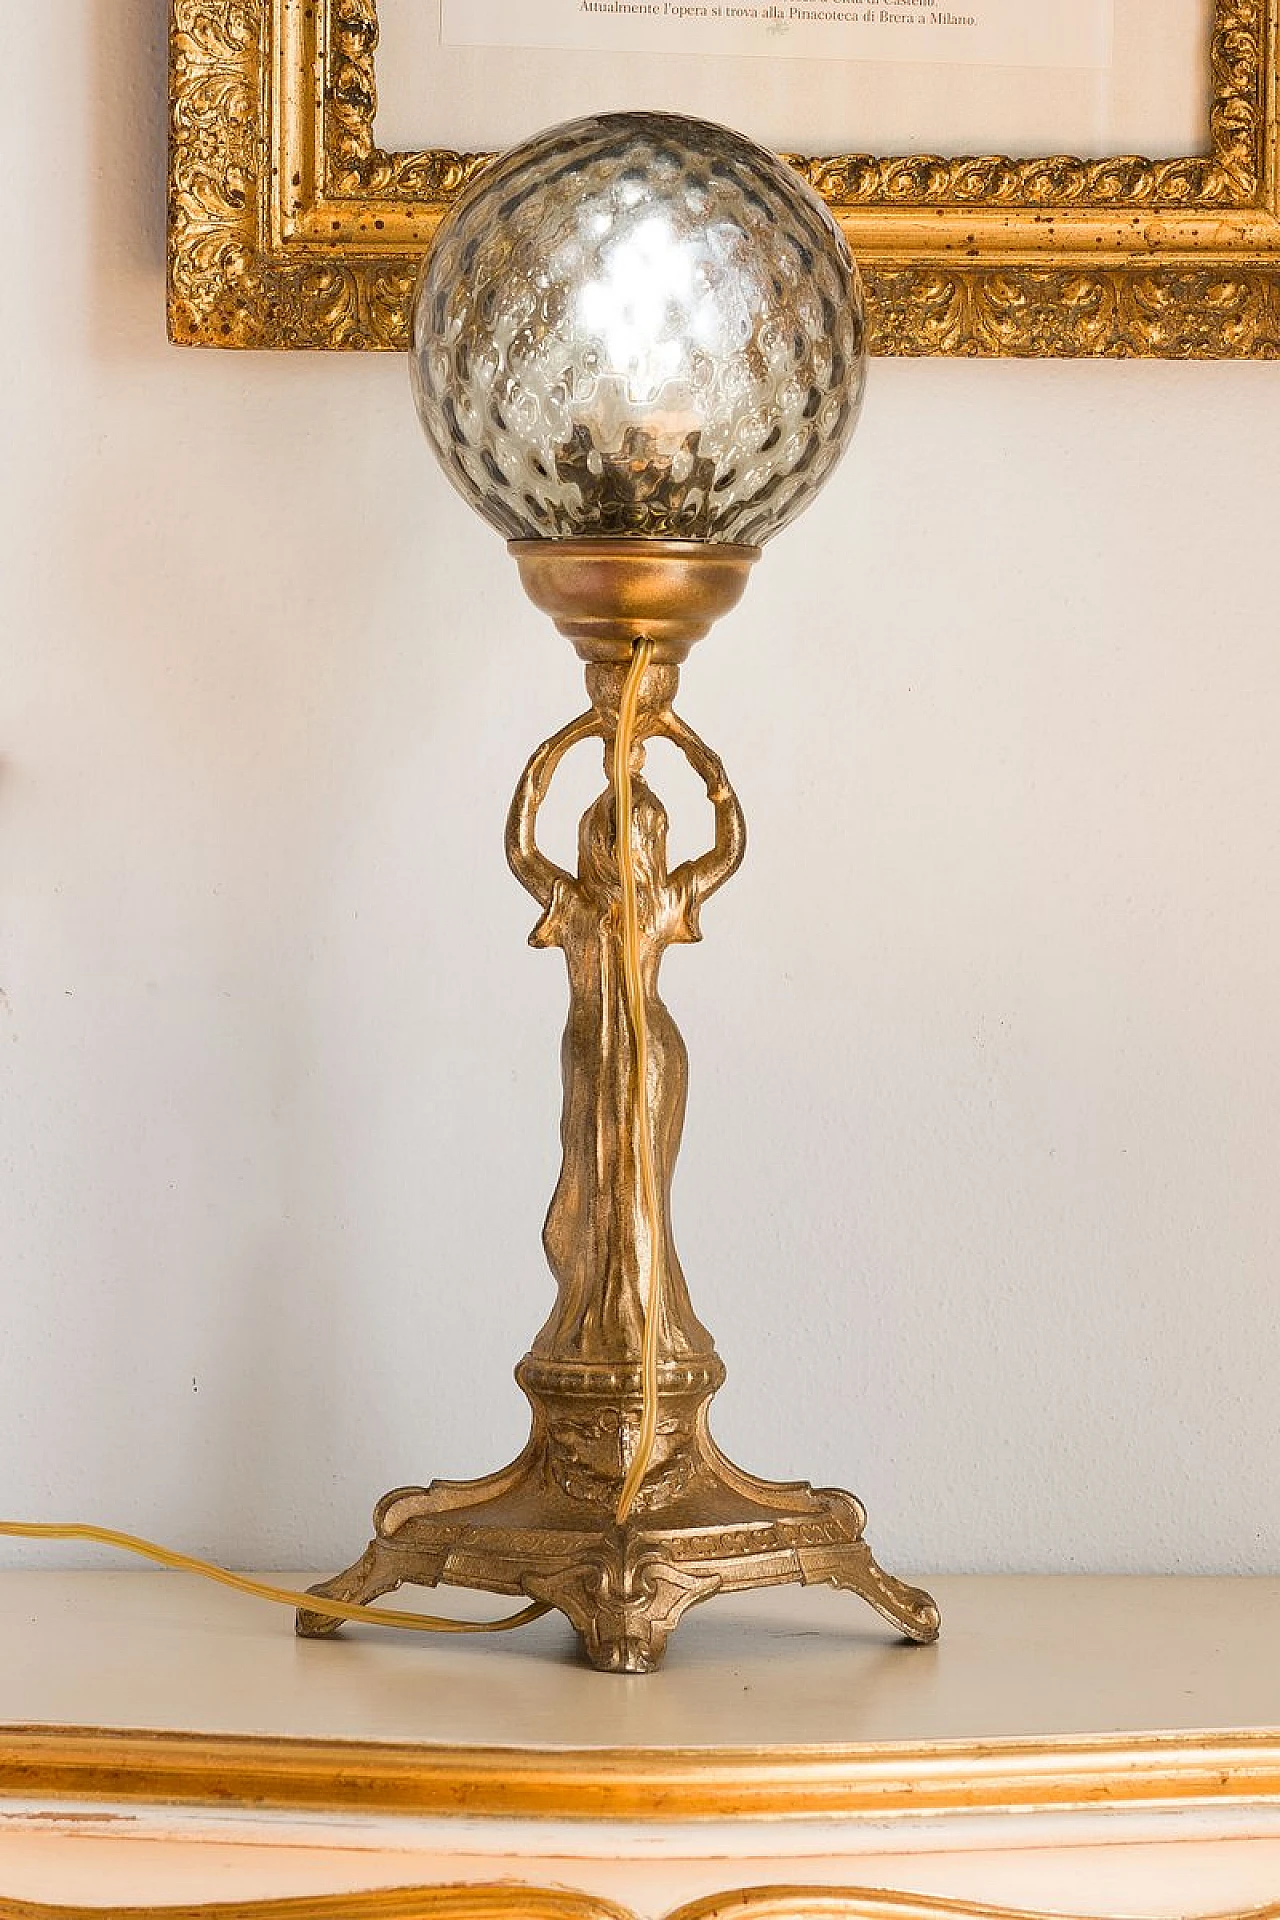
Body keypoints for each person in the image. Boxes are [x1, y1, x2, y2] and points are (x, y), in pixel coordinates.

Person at [505, 687, 746, 1367]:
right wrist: (680, 748)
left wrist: (581, 739)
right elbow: (519, 849)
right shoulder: (586, 904)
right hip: (596, 1050)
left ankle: (649, 1329)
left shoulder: (647, 903)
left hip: (646, 1051)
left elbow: (519, 845)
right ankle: (595, 1325)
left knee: (639, 1182)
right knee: (598, 1176)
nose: (624, 841)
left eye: (634, 832)